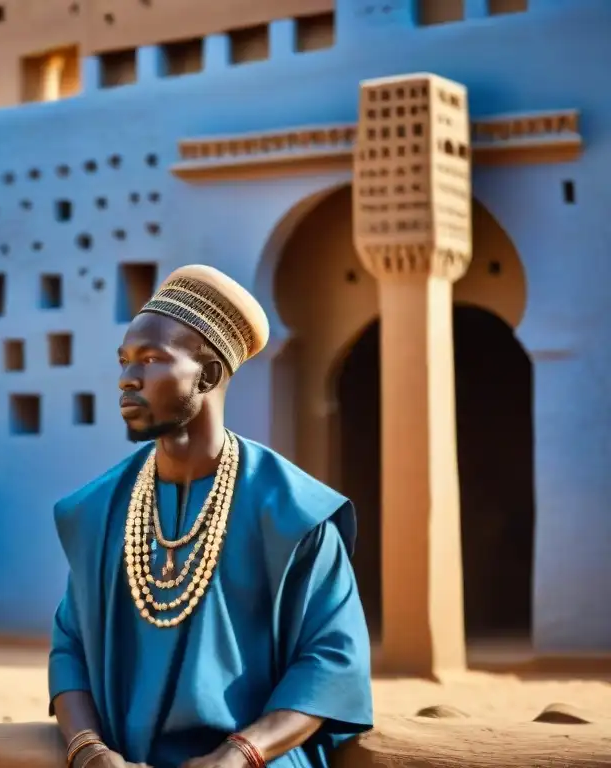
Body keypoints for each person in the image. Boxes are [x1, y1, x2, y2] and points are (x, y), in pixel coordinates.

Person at [48, 265, 373, 768]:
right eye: (124, 361)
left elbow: (331, 659)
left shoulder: (292, 513)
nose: (128, 378)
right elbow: (69, 646)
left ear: (209, 374)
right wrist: (88, 751)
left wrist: (240, 753)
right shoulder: (99, 510)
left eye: (152, 359)